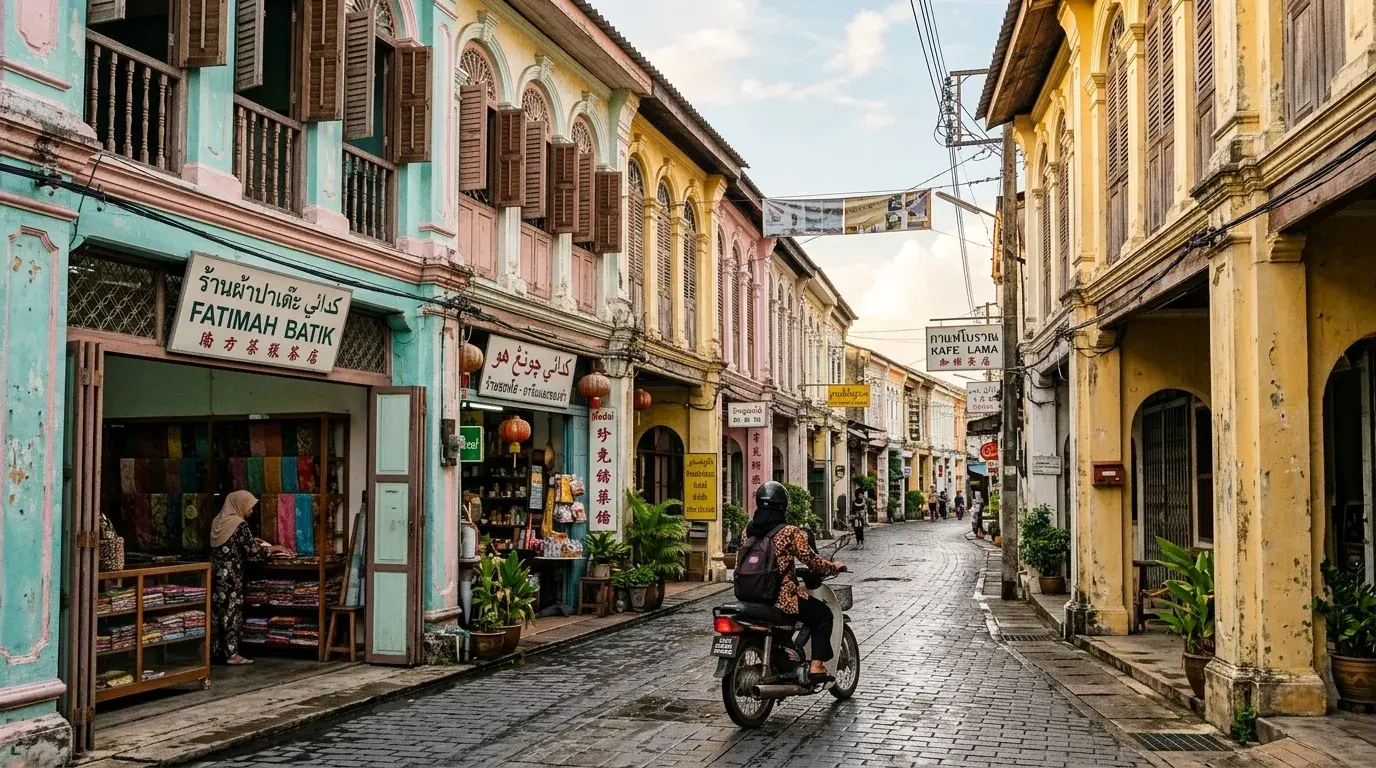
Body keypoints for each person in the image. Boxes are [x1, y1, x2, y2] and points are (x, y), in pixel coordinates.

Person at [747, 482, 845, 682]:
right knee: (823, 615)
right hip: (779, 596)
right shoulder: (788, 532)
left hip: (749, 594)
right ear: (783, 505)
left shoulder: (747, 530)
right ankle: (817, 666)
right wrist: (832, 566)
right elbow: (811, 560)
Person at [210, 490, 289, 664]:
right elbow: (252, 554)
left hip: (216, 576)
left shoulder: (217, 521)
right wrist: (273, 548)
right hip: (232, 578)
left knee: (217, 614)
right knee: (232, 613)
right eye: (249, 507)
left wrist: (252, 540)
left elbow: (230, 544)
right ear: (239, 504)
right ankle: (232, 655)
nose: (251, 511)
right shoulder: (239, 524)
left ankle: (215, 652)